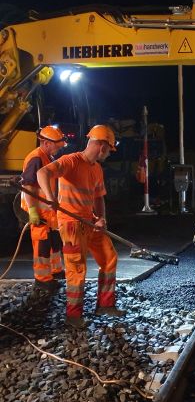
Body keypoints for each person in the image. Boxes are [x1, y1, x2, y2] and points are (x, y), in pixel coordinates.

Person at [37, 124, 124, 329]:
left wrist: (101, 219)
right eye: (109, 150)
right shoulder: (71, 161)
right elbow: (43, 173)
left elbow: (99, 197)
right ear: (102, 146)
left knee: (109, 258)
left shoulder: (96, 169)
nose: (109, 154)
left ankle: (105, 305)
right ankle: (73, 316)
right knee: (77, 269)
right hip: (71, 225)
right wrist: (50, 198)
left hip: (90, 222)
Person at [21, 125, 67, 301]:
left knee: (54, 242)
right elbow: (28, 186)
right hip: (39, 212)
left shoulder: (48, 156)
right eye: (57, 144)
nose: (60, 147)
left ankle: (55, 271)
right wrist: (33, 211)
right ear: (46, 143)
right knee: (42, 245)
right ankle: (42, 280)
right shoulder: (36, 158)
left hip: (48, 211)